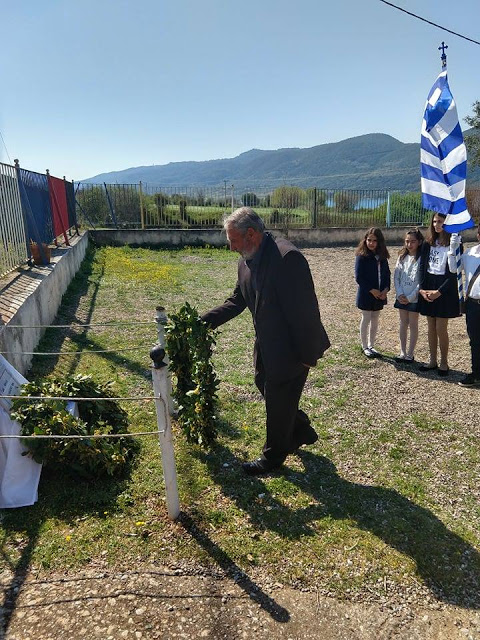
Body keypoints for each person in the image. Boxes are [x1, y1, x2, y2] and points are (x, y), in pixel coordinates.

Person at [201, 207, 330, 476]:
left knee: (278, 396)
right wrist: (201, 322)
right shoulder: (246, 259)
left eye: (233, 241)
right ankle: (301, 429)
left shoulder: (287, 259)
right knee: (264, 384)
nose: (230, 248)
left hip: (292, 347)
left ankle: (273, 457)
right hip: (266, 342)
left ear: (251, 234)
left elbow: (306, 312)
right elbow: (237, 300)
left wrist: (308, 355)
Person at [417, 213, 461, 376]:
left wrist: (439, 292)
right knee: (430, 327)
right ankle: (432, 360)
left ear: (447, 223)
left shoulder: (454, 244)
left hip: (445, 290)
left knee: (441, 328)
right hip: (429, 286)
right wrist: (422, 288)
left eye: (440, 222)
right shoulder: (428, 244)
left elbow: (453, 273)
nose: (436, 224)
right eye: (434, 221)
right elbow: (422, 267)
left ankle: (444, 362)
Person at [448, 224, 480, 387]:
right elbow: (454, 268)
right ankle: (476, 373)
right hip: (474, 304)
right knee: (475, 340)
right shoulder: (470, 254)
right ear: (478, 235)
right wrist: (453, 248)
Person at [354, 227, 391, 358]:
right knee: (366, 318)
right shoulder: (361, 256)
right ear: (365, 240)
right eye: (369, 240)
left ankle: (371, 344)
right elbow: (359, 277)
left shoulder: (382, 257)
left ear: (379, 242)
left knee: (375, 318)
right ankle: (364, 346)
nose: (371, 243)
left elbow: (387, 274)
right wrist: (371, 290)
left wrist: (386, 289)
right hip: (366, 294)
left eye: (374, 240)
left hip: (380, 294)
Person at [393, 228, 424, 363]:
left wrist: (411, 296)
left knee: (413, 324)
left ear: (419, 242)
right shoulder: (402, 257)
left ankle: (410, 353)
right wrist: (399, 293)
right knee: (403, 323)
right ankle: (402, 351)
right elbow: (396, 277)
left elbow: (421, 280)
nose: (409, 244)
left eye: (413, 241)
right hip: (402, 295)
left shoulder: (422, 258)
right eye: (407, 241)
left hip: (414, 297)